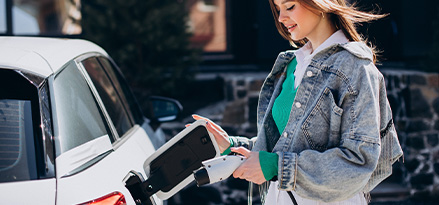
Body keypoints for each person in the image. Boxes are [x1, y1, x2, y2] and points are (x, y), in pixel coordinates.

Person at [190, 0, 403, 204]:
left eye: (290, 6)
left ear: (320, 3)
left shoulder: (356, 68)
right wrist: (234, 147)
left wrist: (277, 167)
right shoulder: (292, 64)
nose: (282, 17)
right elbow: (287, 145)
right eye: (277, 9)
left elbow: (359, 162)